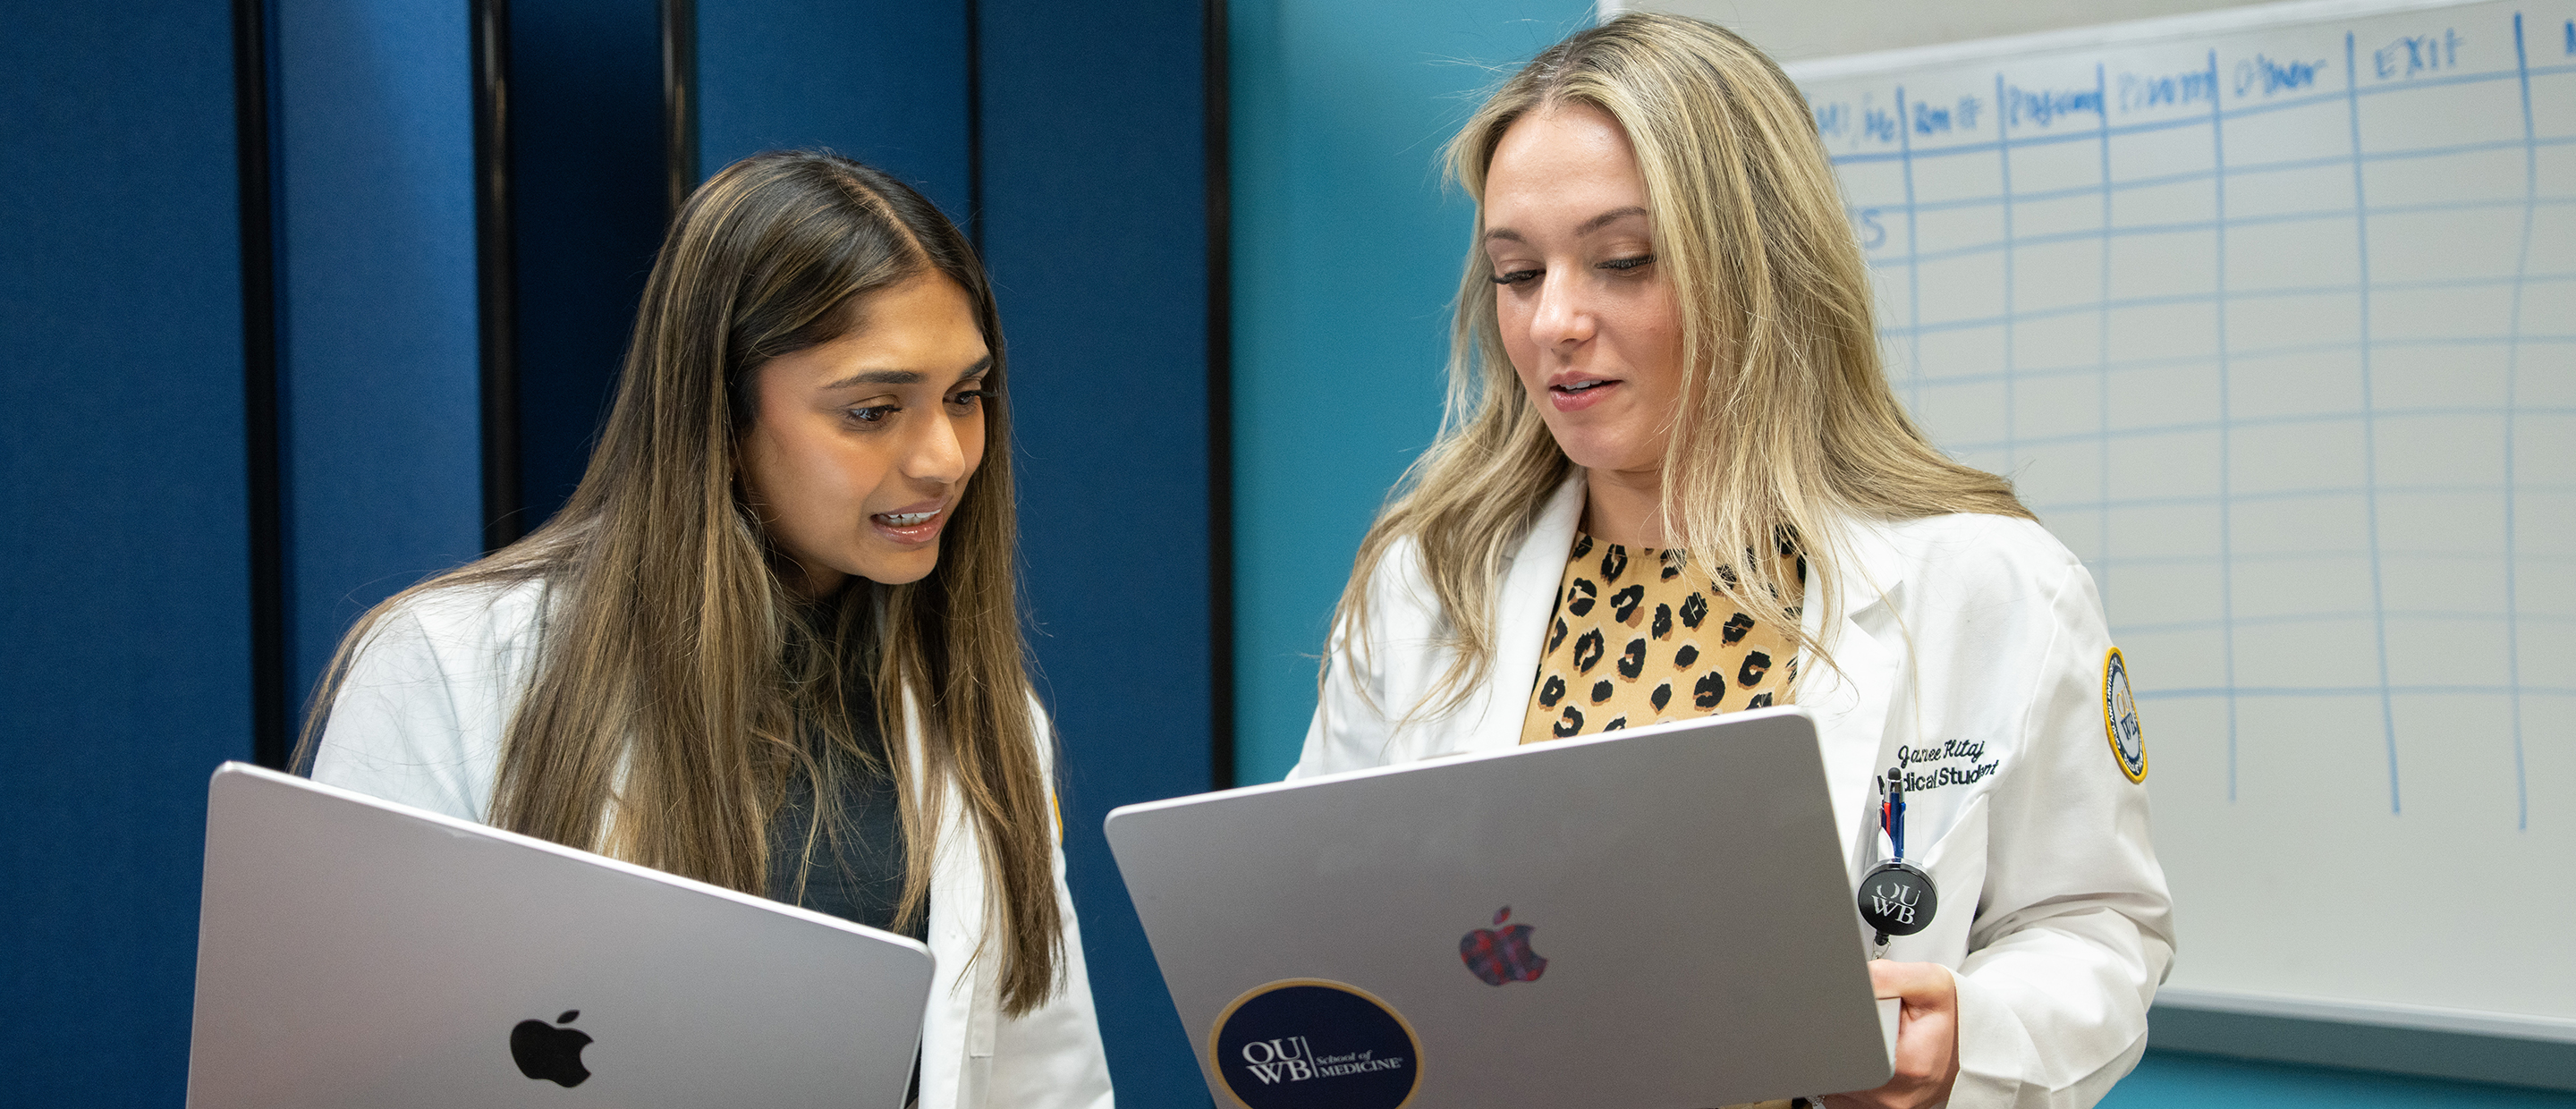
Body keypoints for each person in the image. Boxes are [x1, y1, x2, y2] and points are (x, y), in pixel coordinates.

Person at [1292, 14, 2173, 1109]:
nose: (1555, 320)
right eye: (1517, 272)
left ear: (1758, 267)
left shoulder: (1987, 584)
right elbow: (1322, 917)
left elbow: (2097, 926)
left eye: (1622, 262)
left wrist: (1972, 1035)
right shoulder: (1432, 578)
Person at [302, 150, 1114, 1109]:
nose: (944, 456)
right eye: (872, 410)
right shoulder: (446, 668)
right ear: (720, 415)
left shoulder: (987, 717)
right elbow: (334, 1069)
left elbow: (1040, 1086)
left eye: (966, 397)